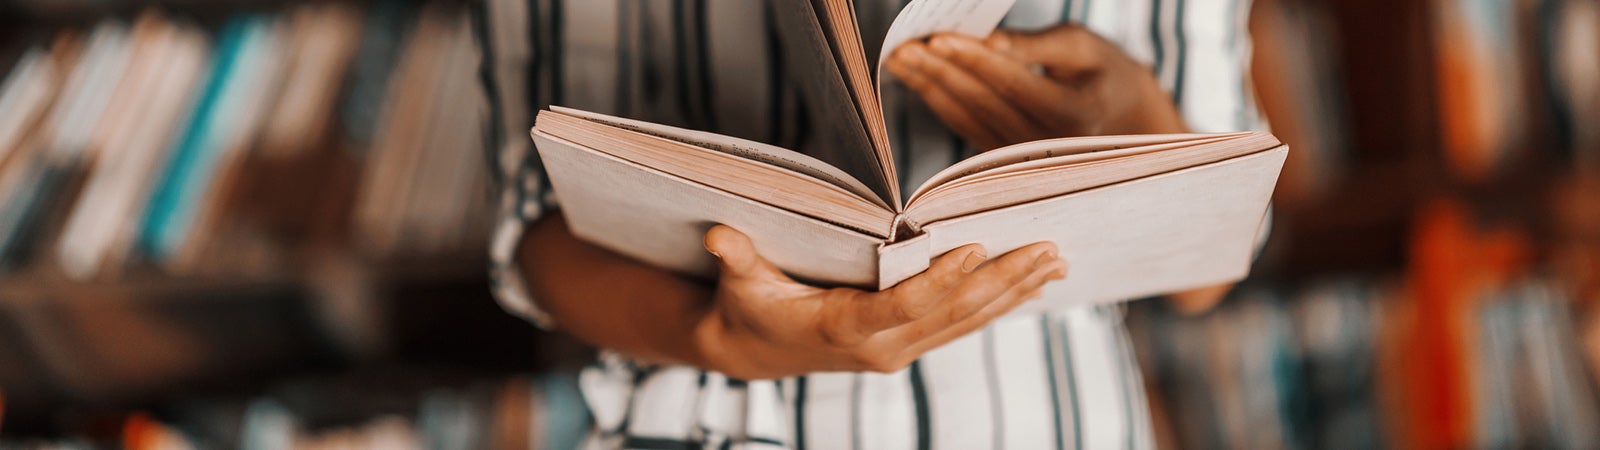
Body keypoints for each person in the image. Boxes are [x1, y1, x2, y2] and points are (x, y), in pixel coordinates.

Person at [472, 0, 1263, 448]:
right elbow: (535, 228)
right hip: (701, 423)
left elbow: (1210, 272)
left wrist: (1142, 129)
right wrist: (722, 338)